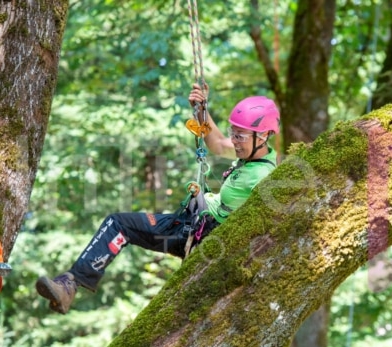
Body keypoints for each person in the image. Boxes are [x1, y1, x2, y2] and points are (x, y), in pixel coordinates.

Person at [36, 83, 280, 314]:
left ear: (265, 135)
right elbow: (216, 144)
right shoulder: (250, 155)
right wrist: (201, 110)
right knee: (118, 224)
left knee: (120, 225)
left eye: (241, 136)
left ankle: (71, 285)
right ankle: (70, 284)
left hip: (198, 234)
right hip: (190, 221)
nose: (235, 141)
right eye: (233, 133)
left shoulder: (264, 176)